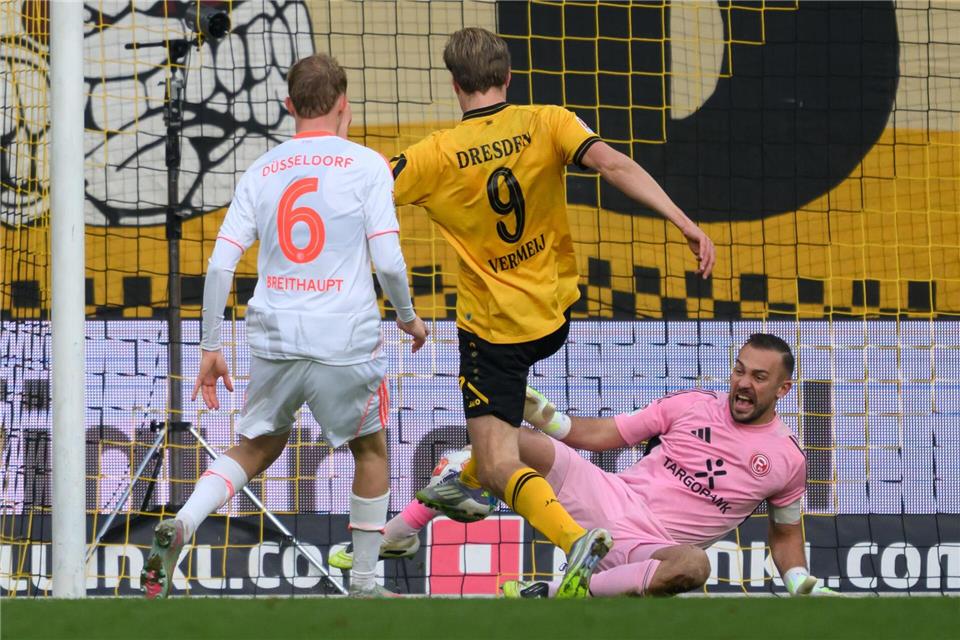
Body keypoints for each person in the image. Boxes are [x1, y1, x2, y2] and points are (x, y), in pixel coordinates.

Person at [389, 27, 716, 597]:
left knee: (497, 463)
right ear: (507, 77)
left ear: (454, 84)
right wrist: (681, 219)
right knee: (501, 441)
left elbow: (365, 193)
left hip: (494, 332)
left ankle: (572, 540)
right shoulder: (550, 120)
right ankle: (434, 501)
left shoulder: (434, 154)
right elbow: (613, 165)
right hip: (555, 319)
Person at [141, 53, 428, 599]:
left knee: (254, 447)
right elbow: (389, 262)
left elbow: (221, 263)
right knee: (371, 450)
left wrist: (210, 346)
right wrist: (410, 320)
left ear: (288, 106)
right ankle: (365, 582)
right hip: (345, 341)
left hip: (275, 335)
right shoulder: (368, 165)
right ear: (345, 104)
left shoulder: (261, 169)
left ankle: (184, 522)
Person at [341, 334, 837, 598]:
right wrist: (548, 416)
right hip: (608, 494)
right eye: (739, 370)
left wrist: (799, 583)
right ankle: (400, 532)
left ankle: (556, 591)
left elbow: (785, 533)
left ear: (782, 389)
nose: (743, 383)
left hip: (651, 545)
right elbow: (602, 436)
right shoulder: (692, 404)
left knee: (695, 565)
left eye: (758, 376)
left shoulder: (788, 459)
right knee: (507, 440)